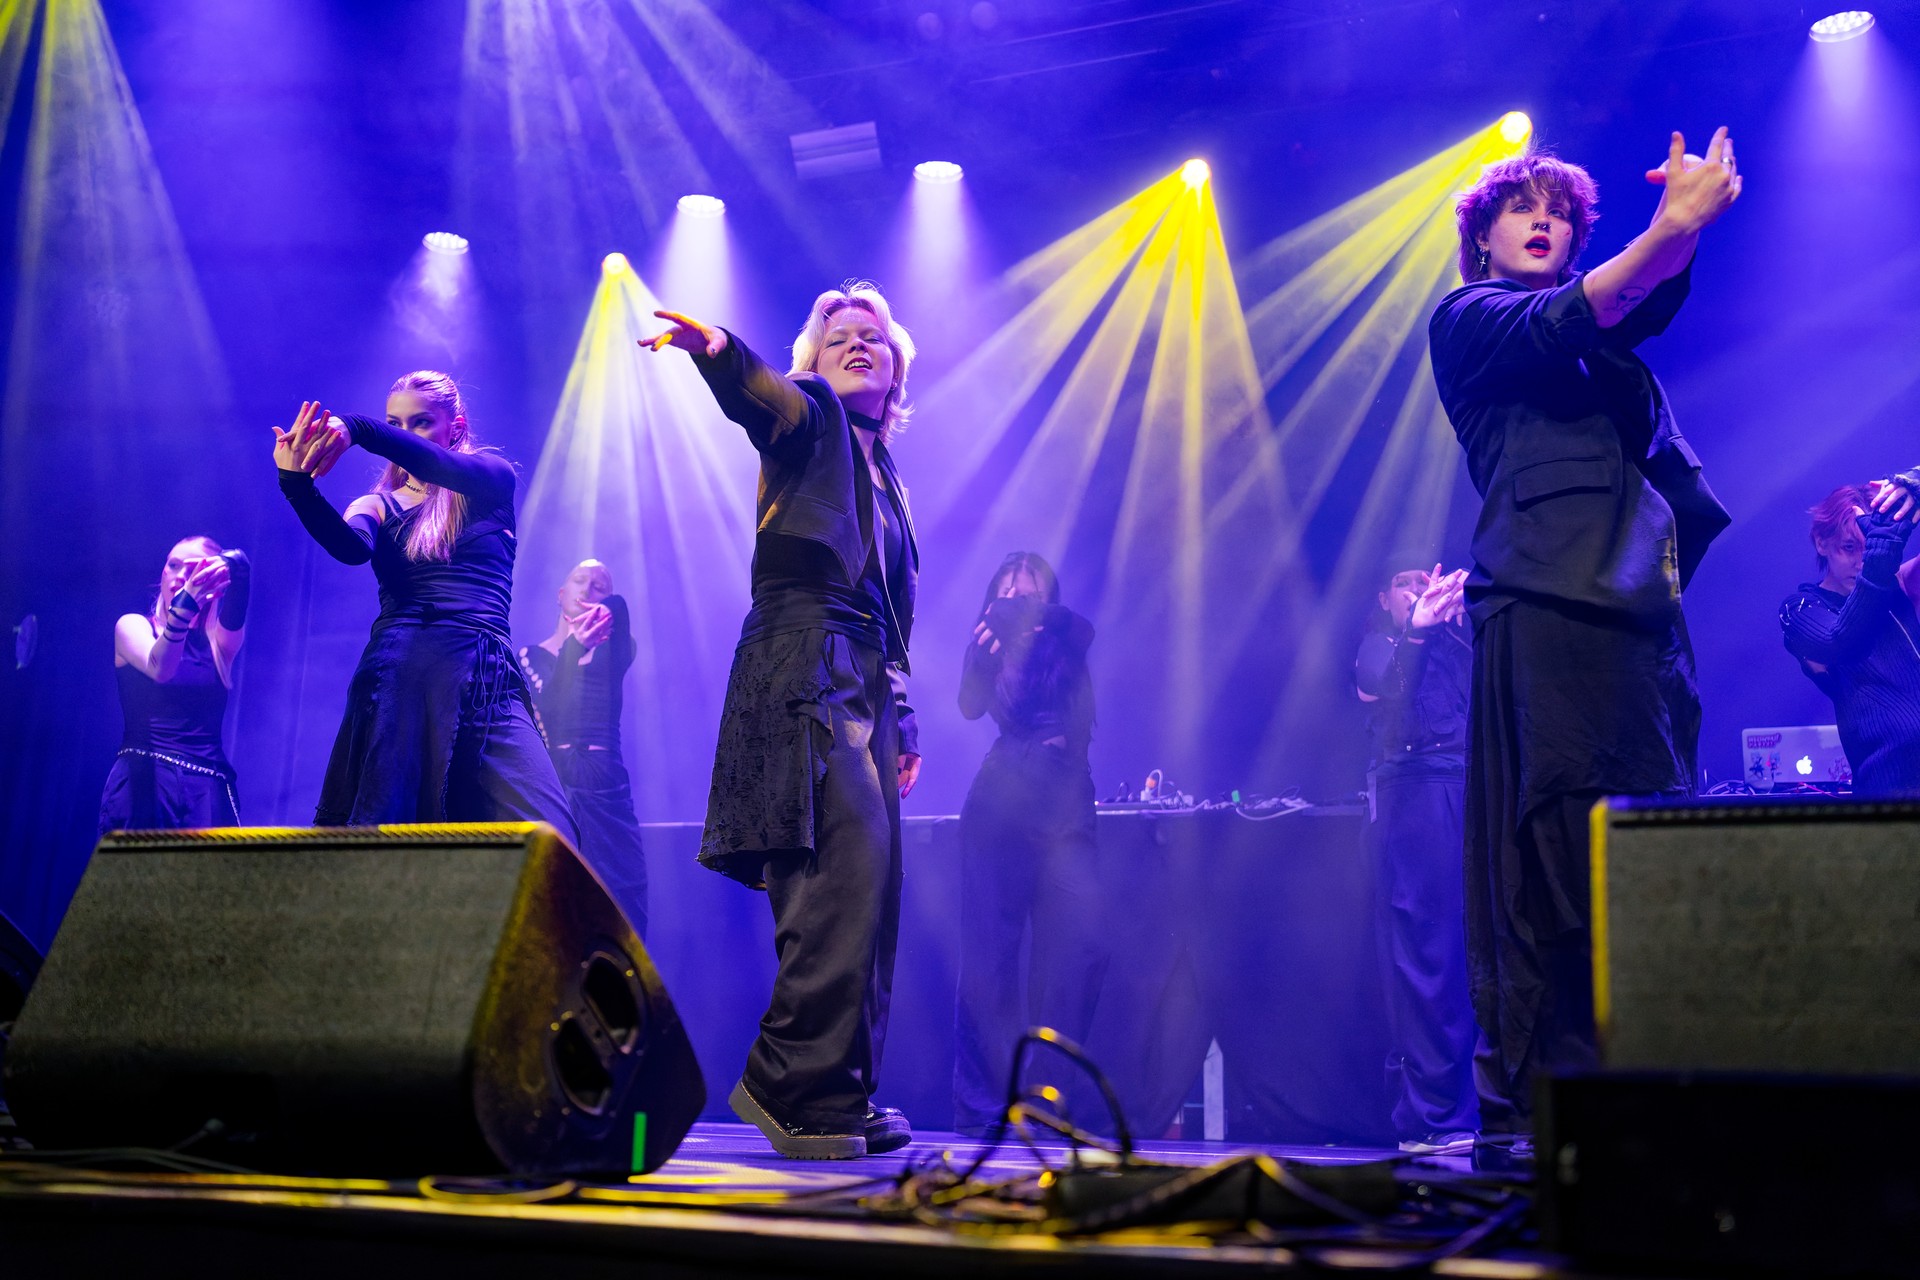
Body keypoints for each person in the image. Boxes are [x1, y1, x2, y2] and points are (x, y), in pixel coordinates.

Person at [1427, 131, 1740, 1153]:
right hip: (1546, 608)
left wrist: (1683, 230)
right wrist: (1671, 226)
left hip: (1640, 621)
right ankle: (1540, 1105)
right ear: (1483, 238)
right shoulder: (1472, 320)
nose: (1542, 221)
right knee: (1555, 855)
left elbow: (1636, 298)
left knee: (1641, 848)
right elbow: (1591, 304)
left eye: (1558, 212)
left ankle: (1641, 1093)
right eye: (1520, 208)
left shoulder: (1605, 342)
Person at [642, 283, 921, 1160]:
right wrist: (721, 352)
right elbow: (768, 398)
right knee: (837, 875)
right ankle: (789, 1083)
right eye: (839, 337)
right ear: (815, 362)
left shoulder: (886, 477)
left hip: (862, 677)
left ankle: (840, 1088)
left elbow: (886, 606)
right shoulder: (815, 416)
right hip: (804, 661)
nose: (858, 344)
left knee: (873, 891)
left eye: (873, 335)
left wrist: (902, 718)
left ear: (898, 366)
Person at [272, 373, 576, 842]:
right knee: (392, 833)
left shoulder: (491, 478)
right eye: (395, 423)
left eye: (421, 422)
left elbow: (435, 465)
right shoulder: (376, 503)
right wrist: (296, 485)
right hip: (404, 672)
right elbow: (351, 549)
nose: (405, 433)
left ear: (456, 426)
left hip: (488, 676)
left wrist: (360, 428)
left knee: (551, 833)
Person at [951, 552, 1101, 1137]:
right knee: (990, 954)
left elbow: (1082, 629)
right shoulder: (989, 643)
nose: (1016, 600)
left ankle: (1046, 1100)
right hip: (1006, 791)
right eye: (1007, 591)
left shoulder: (1064, 639)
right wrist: (987, 651)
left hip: (1068, 797)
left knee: (1079, 950)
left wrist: (1035, 617)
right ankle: (982, 1109)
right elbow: (969, 705)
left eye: (1029, 591)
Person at [1353, 561, 1478, 1155]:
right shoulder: (1379, 647)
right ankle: (1433, 1117)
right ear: (1385, 598)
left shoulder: (1459, 645)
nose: (1420, 589)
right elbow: (1384, 688)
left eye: (1425, 580)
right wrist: (1420, 630)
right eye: (1405, 582)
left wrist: (1466, 620)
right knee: (1428, 951)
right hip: (1416, 796)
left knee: (1474, 950)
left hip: (1471, 788)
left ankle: (1490, 1109)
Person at [520, 559, 649, 936]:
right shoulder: (530, 656)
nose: (588, 589)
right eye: (580, 580)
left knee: (625, 889)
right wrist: (574, 648)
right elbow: (552, 709)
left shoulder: (617, 651)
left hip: (605, 778)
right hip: (558, 779)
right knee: (563, 890)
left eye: (600, 585)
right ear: (561, 595)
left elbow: (620, 607)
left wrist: (604, 614)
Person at [99, 536, 249, 831]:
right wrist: (185, 604)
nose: (180, 575)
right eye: (173, 565)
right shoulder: (133, 626)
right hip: (145, 782)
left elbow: (240, 589)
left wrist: (235, 568)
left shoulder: (218, 644)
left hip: (207, 791)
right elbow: (160, 668)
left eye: (192, 569)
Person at [1779, 486, 1920, 797]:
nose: (1861, 561)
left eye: (1868, 546)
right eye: (1849, 547)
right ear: (1822, 542)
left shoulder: (1900, 584)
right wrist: (1880, 554)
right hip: (1886, 792)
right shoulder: (1801, 608)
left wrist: (1915, 484)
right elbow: (1841, 642)